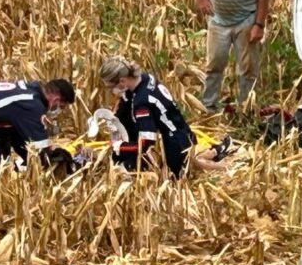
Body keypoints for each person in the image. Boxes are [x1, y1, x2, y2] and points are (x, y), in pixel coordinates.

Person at [97, 56, 231, 179]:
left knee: (123, 170)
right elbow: (124, 108)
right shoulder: (144, 79)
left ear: (122, 81)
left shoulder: (141, 104)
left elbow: (146, 144)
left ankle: (211, 165)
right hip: (184, 137)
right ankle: (205, 156)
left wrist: (119, 147)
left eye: (110, 87)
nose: (111, 92)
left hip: (175, 147)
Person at [0, 78, 75, 170]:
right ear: (56, 100)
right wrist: (53, 158)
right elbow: (40, 150)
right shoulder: (32, 105)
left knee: (10, 135)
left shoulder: (29, 89)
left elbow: (19, 136)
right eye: (61, 107)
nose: (58, 110)